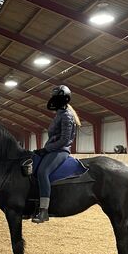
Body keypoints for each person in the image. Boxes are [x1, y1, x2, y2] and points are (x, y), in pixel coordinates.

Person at [32, 85, 81, 224]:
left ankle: (44, 211)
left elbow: (64, 140)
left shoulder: (67, 116)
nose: (54, 100)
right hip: (53, 149)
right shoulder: (59, 115)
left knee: (43, 172)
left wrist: (47, 149)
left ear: (64, 99)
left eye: (57, 98)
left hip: (61, 150)